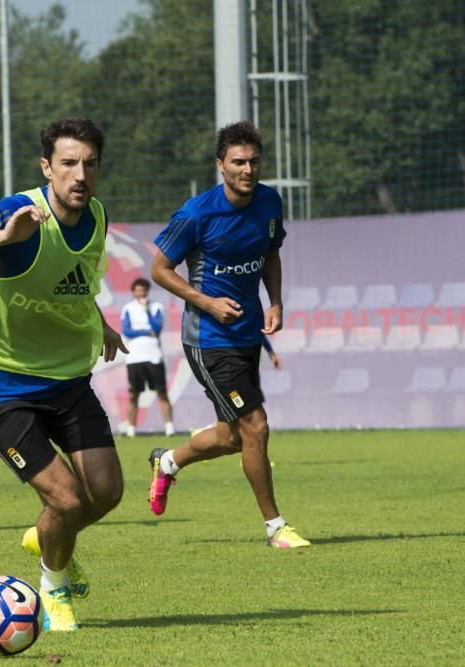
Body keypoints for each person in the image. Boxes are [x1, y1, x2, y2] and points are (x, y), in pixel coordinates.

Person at [0, 118, 127, 631]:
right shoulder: (18, 212)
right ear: (47, 168)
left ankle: (47, 536)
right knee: (65, 497)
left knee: (106, 492)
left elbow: (76, 280)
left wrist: (100, 323)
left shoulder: (97, 216)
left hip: (64, 379)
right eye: (68, 163)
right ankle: (53, 585)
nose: (80, 175)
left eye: (90, 164)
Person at [147, 121, 309, 549]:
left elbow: (271, 254)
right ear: (221, 165)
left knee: (233, 434)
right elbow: (159, 269)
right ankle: (276, 527)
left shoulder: (270, 202)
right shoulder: (197, 214)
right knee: (256, 427)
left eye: (254, 161)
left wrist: (274, 301)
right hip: (208, 339)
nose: (248, 169)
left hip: (247, 334)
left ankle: (169, 462)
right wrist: (206, 301)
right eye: (238, 161)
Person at [120, 277, 174, 437]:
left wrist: (146, 311)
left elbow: (157, 328)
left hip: (154, 356)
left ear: (147, 291)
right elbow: (127, 331)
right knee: (133, 394)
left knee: (161, 392)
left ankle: (169, 427)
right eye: (137, 290)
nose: (140, 293)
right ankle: (131, 430)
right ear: (133, 292)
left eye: (143, 290)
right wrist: (145, 331)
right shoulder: (127, 308)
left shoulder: (156, 307)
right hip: (134, 357)